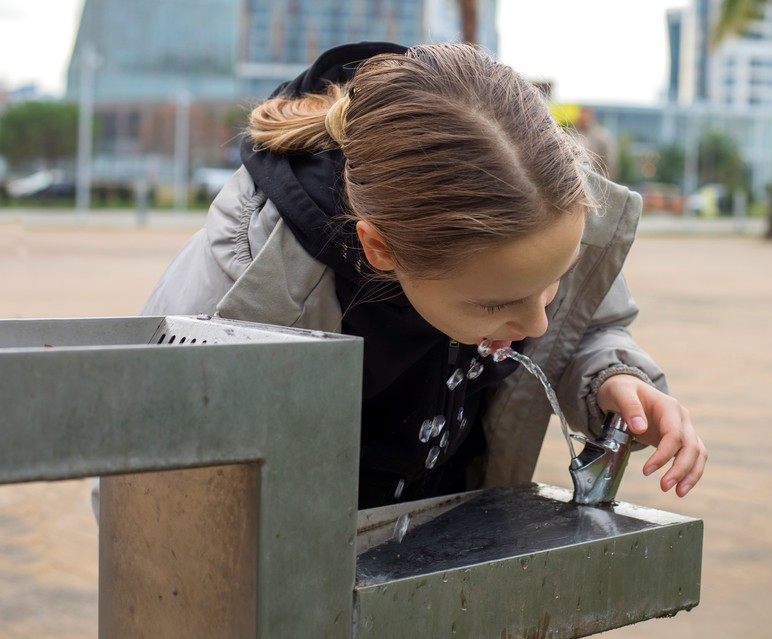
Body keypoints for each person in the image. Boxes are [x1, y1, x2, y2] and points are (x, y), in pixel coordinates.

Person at [140, 42, 706, 509]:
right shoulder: (243, 294)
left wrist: (609, 379)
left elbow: (589, 328)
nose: (535, 319)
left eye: (553, 281)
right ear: (381, 250)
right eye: (492, 305)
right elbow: (157, 488)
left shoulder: (540, 210)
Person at [574, 106, 619, 181]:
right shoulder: (573, 135)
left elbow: (611, 162)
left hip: (597, 181)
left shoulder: (602, 136)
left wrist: (603, 182)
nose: (582, 119)